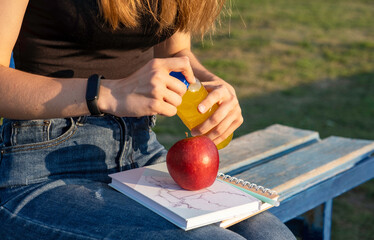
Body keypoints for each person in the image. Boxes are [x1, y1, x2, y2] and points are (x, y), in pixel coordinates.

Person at [0, 0, 296, 239]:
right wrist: (107, 92)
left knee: (273, 235)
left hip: (142, 152)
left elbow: (176, 53)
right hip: (43, 167)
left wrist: (208, 85)